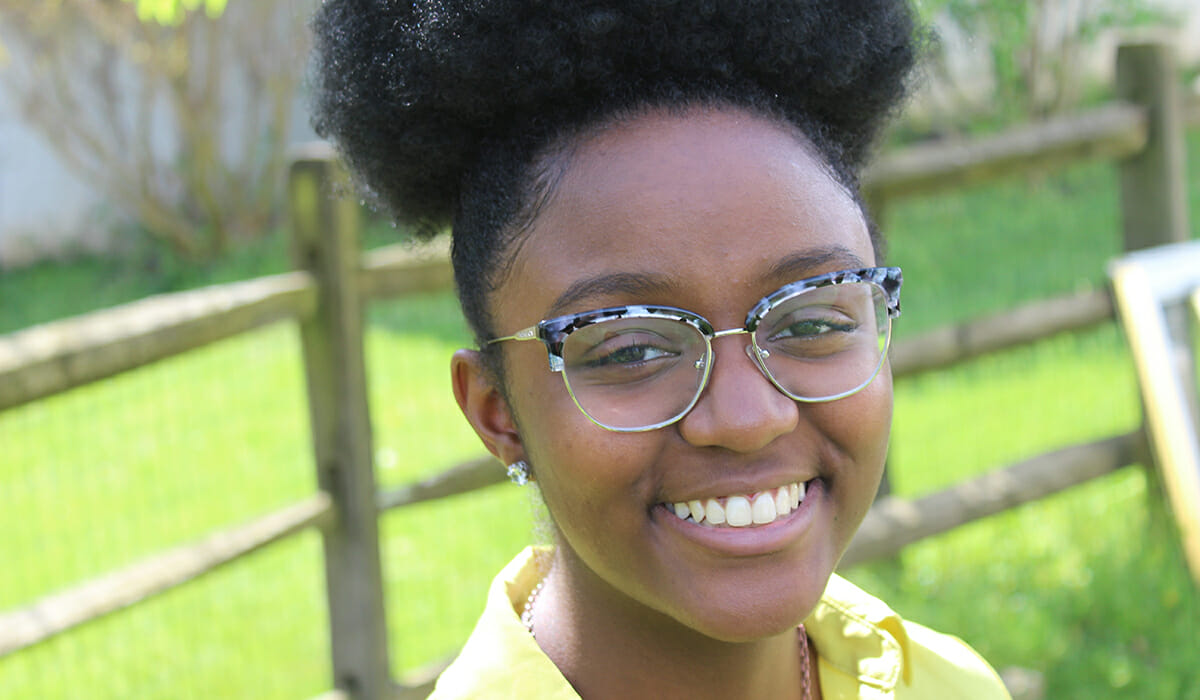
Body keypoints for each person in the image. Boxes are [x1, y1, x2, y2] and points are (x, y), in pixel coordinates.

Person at [310, 1, 1012, 697]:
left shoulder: (949, 684)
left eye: (809, 323)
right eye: (632, 350)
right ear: (499, 415)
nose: (747, 419)